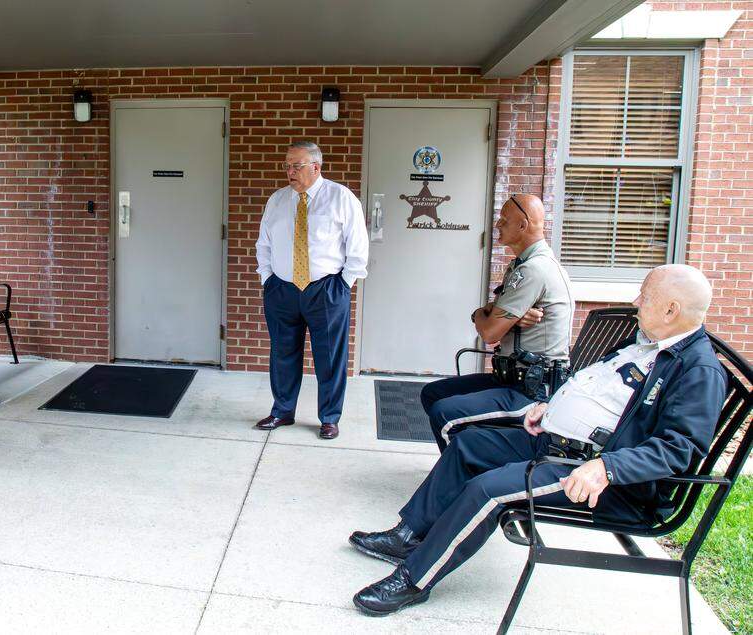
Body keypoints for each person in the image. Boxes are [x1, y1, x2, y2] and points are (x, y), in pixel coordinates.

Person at [348, 264, 724, 617]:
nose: (636, 302)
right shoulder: (649, 343)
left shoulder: (697, 370)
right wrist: (552, 407)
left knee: (488, 489)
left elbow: (680, 448)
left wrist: (607, 467)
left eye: (645, 296)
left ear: (672, 310)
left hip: (598, 478)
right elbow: (602, 392)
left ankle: (414, 579)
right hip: (557, 445)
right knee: (469, 445)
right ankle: (408, 534)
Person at [421, 194, 574, 451]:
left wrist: (485, 315)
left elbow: (490, 332)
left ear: (523, 226)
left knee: (444, 412)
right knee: (433, 393)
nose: (498, 226)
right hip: (511, 379)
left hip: (532, 391)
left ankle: (459, 474)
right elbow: (491, 316)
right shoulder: (522, 265)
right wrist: (494, 315)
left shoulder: (534, 270)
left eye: (504, 220)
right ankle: (467, 463)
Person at [254, 141, 368, 440]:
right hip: (282, 289)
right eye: (287, 165)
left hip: (327, 289)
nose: (289, 171)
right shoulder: (278, 200)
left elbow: (357, 248)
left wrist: (343, 284)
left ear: (316, 167)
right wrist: (268, 278)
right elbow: (264, 243)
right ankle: (282, 411)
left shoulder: (341, 198)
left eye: (296, 165)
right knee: (282, 353)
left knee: (329, 357)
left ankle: (329, 418)